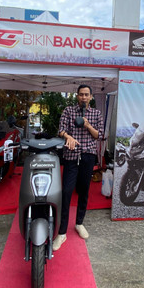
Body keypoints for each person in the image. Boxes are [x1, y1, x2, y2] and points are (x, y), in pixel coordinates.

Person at [52, 84, 103, 252]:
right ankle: (62, 232)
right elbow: (60, 130)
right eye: (81, 94)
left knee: (84, 190)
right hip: (71, 155)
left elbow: (100, 135)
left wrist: (88, 125)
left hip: (88, 155)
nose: (83, 97)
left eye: (86, 94)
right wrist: (68, 137)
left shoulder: (96, 113)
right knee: (66, 191)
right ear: (77, 96)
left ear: (91, 96)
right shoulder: (68, 111)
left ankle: (79, 223)